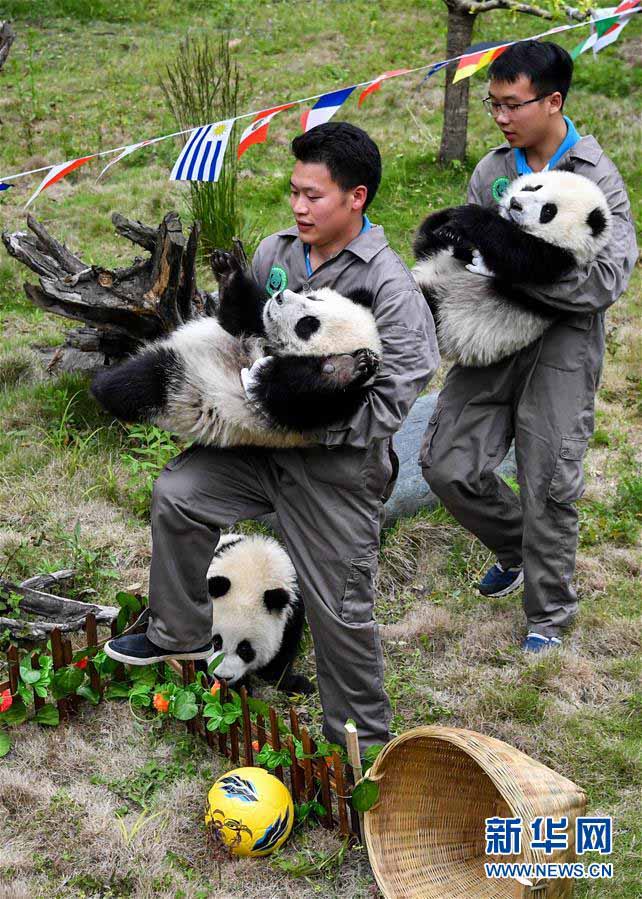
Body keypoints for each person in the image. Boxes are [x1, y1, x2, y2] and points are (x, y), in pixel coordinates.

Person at [105, 122, 440, 748]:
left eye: (314, 195)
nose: (298, 206)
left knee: (340, 611)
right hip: (256, 450)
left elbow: (391, 402)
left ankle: (361, 745)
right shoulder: (276, 252)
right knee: (179, 493)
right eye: (294, 192)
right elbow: (240, 339)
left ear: (356, 198)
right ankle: (178, 634)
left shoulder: (390, 288)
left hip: (334, 468)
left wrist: (297, 421)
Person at [421, 41, 638, 653]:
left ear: (553, 102)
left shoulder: (595, 178)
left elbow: (605, 281)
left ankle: (548, 613)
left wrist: (518, 271)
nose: (501, 117)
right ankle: (518, 547)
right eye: (492, 104)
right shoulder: (493, 170)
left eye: (512, 105)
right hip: (492, 332)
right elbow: (469, 248)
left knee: (548, 479)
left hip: (563, 344)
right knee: (446, 463)